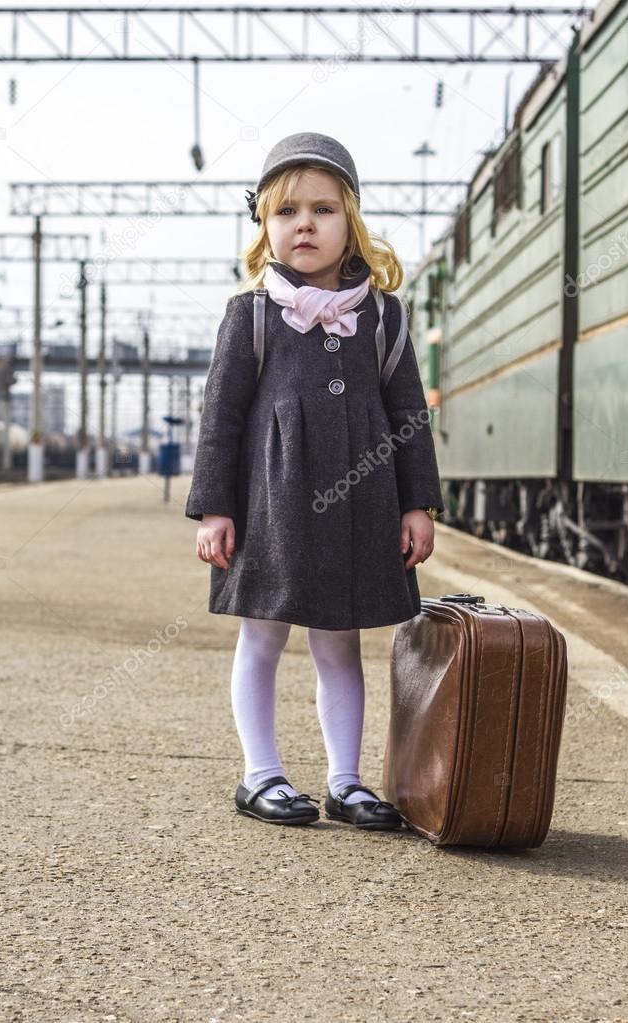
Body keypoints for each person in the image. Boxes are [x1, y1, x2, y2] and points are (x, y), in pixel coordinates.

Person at [185, 132, 444, 831]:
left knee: (340, 642)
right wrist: (213, 507)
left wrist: (418, 502)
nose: (305, 223)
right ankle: (260, 773)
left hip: (362, 506)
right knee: (262, 635)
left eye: (324, 210)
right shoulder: (251, 314)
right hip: (271, 504)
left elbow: (408, 415)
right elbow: (222, 415)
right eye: (287, 211)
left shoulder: (384, 316)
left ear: (350, 220)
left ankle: (345, 780)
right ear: (265, 225)